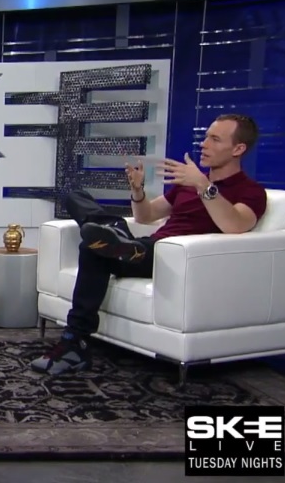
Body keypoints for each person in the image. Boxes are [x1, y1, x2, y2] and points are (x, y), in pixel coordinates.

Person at [30, 114, 268, 375]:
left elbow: (235, 225)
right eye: (206, 137)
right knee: (79, 207)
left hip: (173, 258)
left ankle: (74, 340)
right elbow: (147, 216)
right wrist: (138, 191)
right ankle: (116, 239)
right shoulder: (185, 186)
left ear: (238, 149)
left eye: (215, 139)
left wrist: (203, 184)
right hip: (147, 249)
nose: (204, 144)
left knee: (96, 245)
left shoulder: (250, 191)